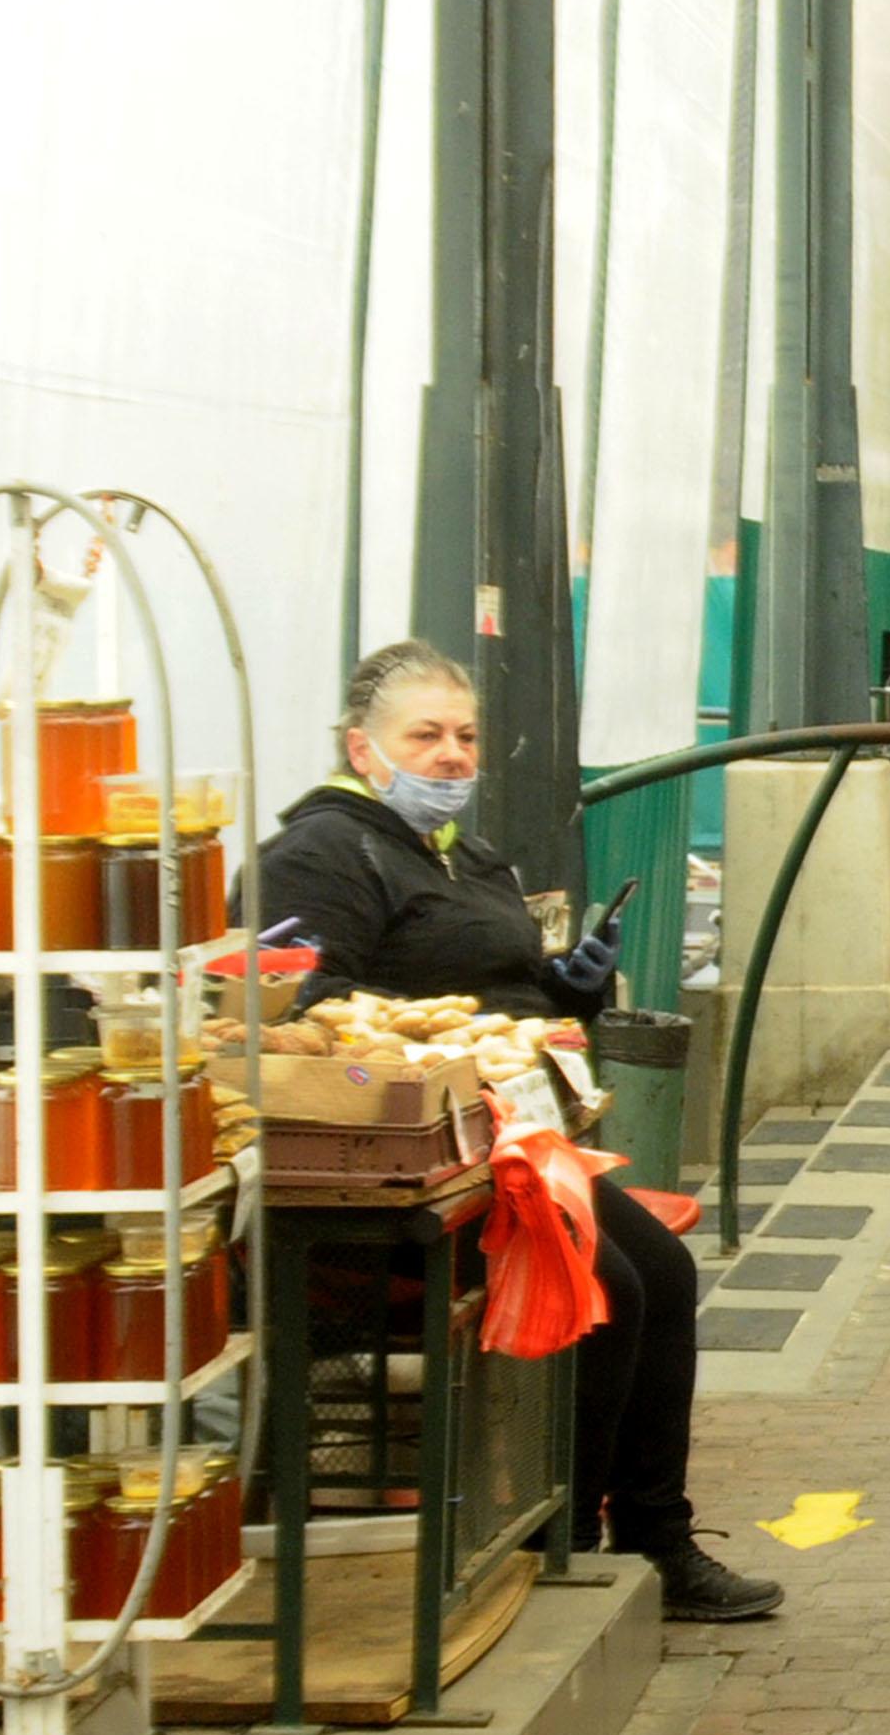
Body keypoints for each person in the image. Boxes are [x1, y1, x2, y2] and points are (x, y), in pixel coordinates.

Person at [249, 641, 783, 1624]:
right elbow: (306, 1009)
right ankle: (559, 1545)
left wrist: (565, 984)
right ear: (361, 748)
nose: (453, 756)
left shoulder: (461, 852)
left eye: (466, 736)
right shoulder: (322, 852)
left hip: (517, 1136)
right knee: (605, 1286)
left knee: (660, 1269)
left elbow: (502, 976)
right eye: (426, 736)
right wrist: (441, 1042)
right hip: (416, 1160)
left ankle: (657, 1539)